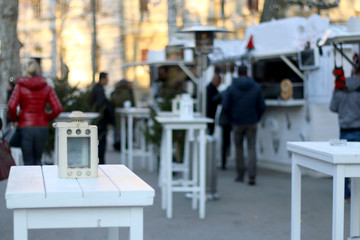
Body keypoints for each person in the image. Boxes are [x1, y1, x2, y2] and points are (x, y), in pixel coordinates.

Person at [8, 59, 63, 165]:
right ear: (38, 70)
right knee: (38, 160)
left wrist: (14, 119)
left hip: (25, 127)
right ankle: (39, 181)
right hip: (42, 127)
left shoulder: (20, 86)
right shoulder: (47, 87)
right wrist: (46, 117)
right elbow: (58, 108)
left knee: (28, 161)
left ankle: (28, 181)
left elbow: (11, 105)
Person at [222, 65, 265, 185]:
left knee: (239, 148)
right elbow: (262, 105)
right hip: (252, 121)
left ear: (237, 73)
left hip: (237, 121)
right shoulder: (256, 87)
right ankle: (252, 175)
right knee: (251, 147)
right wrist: (257, 117)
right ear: (248, 72)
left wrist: (231, 117)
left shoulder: (232, 88)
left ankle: (240, 174)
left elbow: (225, 106)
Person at [330, 64, 360, 200]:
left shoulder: (339, 87)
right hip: (358, 130)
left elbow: (332, 107)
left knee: (343, 165)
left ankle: (345, 194)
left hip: (344, 131)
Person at [90, 72, 114, 164]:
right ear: (103, 79)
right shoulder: (99, 90)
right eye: (107, 79)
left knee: (100, 141)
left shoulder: (98, 89)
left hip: (99, 119)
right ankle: (101, 162)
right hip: (100, 120)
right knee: (101, 141)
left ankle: (100, 161)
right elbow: (102, 105)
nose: (108, 81)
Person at [110, 79, 136, 151]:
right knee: (126, 129)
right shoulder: (128, 91)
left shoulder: (116, 91)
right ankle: (126, 144)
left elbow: (112, 102)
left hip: (116, 113)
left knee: (117, 129)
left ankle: (118, 143)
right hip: (126, 113)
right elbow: (132, 102)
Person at [219, 87, 232, 170]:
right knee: (227, 141)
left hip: (226, 120)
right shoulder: (229, 93)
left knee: (225, 141)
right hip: (230, 120)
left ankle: (224, 161)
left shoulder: (225, 92)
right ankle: (224, 160)